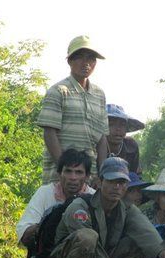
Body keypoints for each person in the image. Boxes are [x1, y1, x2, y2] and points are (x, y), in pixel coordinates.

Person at [37, 35, 109, 184]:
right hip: (58, 179)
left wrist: (101, 175)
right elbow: (49, 134)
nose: (86, 63)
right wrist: (64, 170)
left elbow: (102, 138)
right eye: (80, 58)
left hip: (90, 179)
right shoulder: (58, 91)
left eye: (91, 58)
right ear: (69, 61)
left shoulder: (99, 94)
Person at [16, 148, 95, 249]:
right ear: (59, 174)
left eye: (79, 172)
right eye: (68, 171)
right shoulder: (45, 193)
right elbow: (23, 233)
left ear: (87, 176)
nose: (73, 177)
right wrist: (45, 226)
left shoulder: (94, 198)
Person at [106, 104, 145, 174]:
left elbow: (134, 174)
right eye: (111, 124)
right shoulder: (96, 145)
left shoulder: (131, 146)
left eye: (122, 125)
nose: (118, 129)